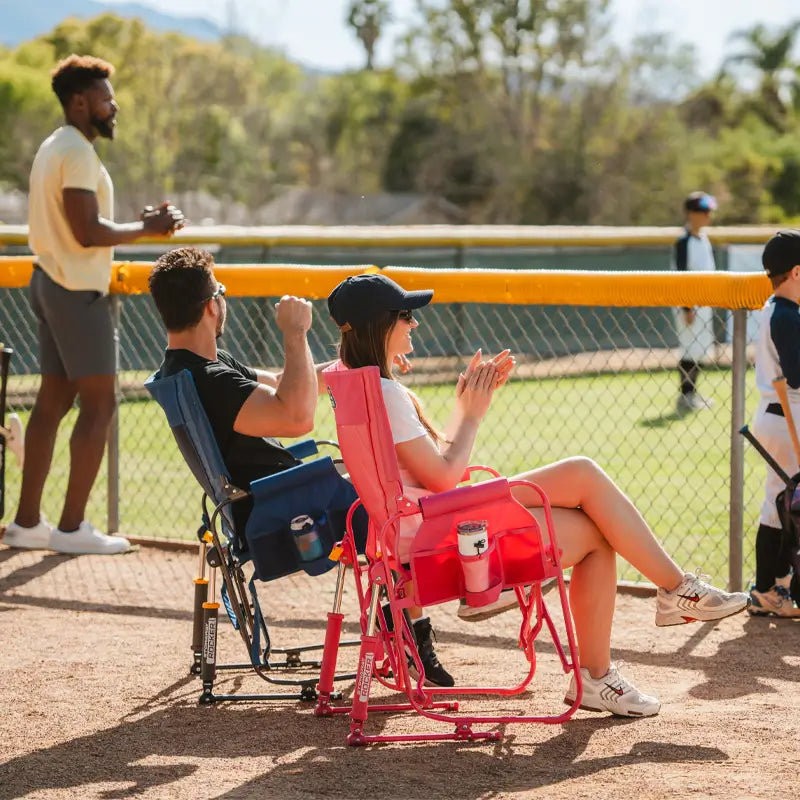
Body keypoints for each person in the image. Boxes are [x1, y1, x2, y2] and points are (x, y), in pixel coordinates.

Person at [327, 273, 751, 717]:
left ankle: (620, 652)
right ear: (380, 324)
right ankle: (665, 602)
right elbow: (444, 478)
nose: (414, 324)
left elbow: (428, 470)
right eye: (406, 316)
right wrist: (474, 414)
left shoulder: (354, 386)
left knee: (596, 533)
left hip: (419, 530)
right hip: (440, 537)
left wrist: (462, 407)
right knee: (584, 474)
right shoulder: (388, 393)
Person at [3, 55, 184, 555]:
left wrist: (137, 223)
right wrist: (148, 229)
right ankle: (71, 529)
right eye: (105, 98)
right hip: (76, 290)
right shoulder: (77, 151)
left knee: (53, 401)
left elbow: (79, 226)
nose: (113, 105)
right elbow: (86, 232)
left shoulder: (54, 146)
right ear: (79, 102)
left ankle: (25, 524)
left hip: (49, 281)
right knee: (100, 404)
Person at [147, 246, 322, 538]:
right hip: (283, 515)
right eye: (221, 292)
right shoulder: (209, 380)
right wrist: (296, 332)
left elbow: (282, 384)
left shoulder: (189, 368)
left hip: (274, 502)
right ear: (211, 306)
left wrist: (359, 361)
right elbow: (298, 417)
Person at [749, 230, 800, 617]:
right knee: (791, 504)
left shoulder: (771, 307)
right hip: (790, 419)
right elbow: (797, 374)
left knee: (776, 504)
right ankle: (785, 589)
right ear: (796, 273)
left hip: (773, 417)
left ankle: (767, 588)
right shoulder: (786, 315)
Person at [673, 191, 718, 413]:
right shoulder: (684, 241)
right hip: (690, 305)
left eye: (708, 212)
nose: (707, 216)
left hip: (704, 303)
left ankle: (692, 392)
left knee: (699, 349)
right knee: (690, 349)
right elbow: (681, 276)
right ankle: (686, 394)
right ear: (690, 214)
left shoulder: (703, 238)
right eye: (702, 212)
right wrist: (686, 307)